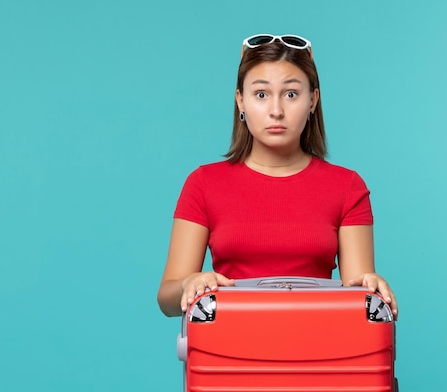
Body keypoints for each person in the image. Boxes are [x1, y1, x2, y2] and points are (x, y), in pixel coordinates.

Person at [157, 34, 398, 319]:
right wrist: (189, 283)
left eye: (291, 94)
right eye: (261, 94)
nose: (276, 111)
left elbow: (358, 295)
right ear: (240, 101)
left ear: (313, 101)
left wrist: (370, 288)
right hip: (228, 352)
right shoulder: (203, 184)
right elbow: (167, 299)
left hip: (322, 351)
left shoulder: (347, 187)